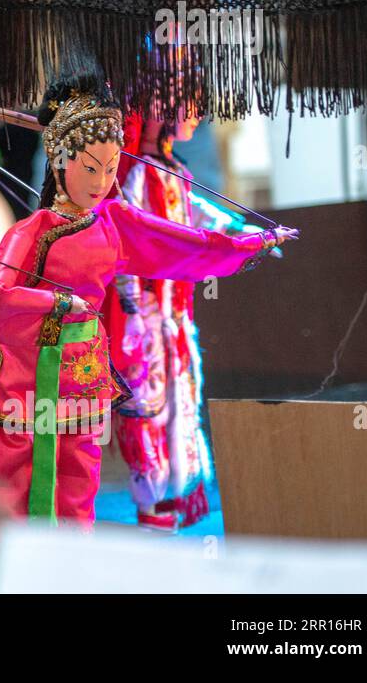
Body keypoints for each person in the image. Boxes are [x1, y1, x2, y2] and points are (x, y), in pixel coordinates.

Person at [0, 74, 297, 525]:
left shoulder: (113, 222)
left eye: (109, 167)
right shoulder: (29, 234)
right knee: (25, 488)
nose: (102, 181)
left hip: (84, 372)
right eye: (90, 168)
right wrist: (57, 305)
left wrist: (246, 244)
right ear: (60, 162)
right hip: (30, 380)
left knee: (79, 483)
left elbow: (182, 244)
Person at [105, 109, 272, 531]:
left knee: (182, 398)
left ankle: (176, 495)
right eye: (186, 102)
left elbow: (195, 213)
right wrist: (130, 308)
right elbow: (131, 236)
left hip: (175, 314)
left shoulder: (171, 169)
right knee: (148, 405)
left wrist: (239, 232)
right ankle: (151, 505)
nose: (196, 114)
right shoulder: (138, 176)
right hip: (144, 313)